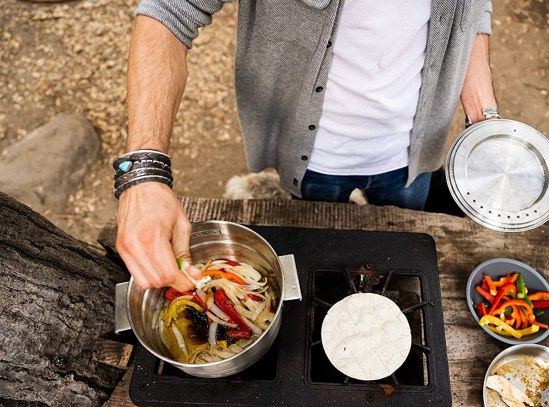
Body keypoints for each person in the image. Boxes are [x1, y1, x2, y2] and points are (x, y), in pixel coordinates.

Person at [115, 0, 499, 292]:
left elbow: (470, 11)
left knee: (400, 263)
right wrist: (143, 173)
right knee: (322, 260)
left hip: (414, 151)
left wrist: (484, 117)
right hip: (314, 158)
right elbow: (168, 12)